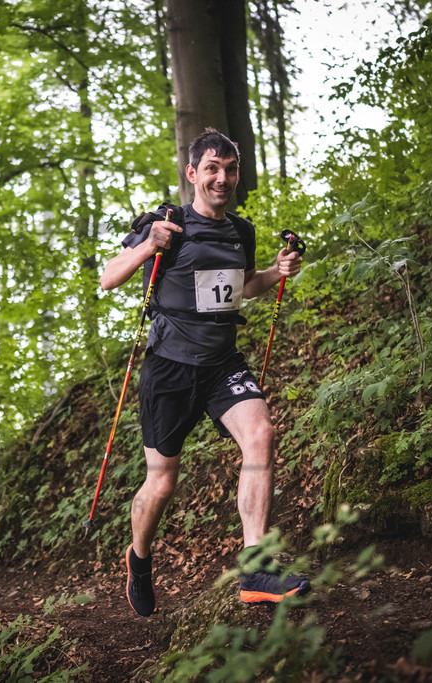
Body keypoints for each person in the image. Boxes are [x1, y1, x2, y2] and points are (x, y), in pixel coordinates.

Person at [100, 128, 309, 617]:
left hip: (221, 366)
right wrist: (148, 245)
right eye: (212, 168)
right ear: (192, 173)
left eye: (230, 169)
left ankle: (256, 569)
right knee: (162, 484)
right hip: (169, 370)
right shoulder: (166, 224)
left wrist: (277, 272)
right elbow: (109, 277)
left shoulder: (241, 231)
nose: (222, 178)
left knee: (261, 435)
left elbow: (244, 285)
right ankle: (139, 557)